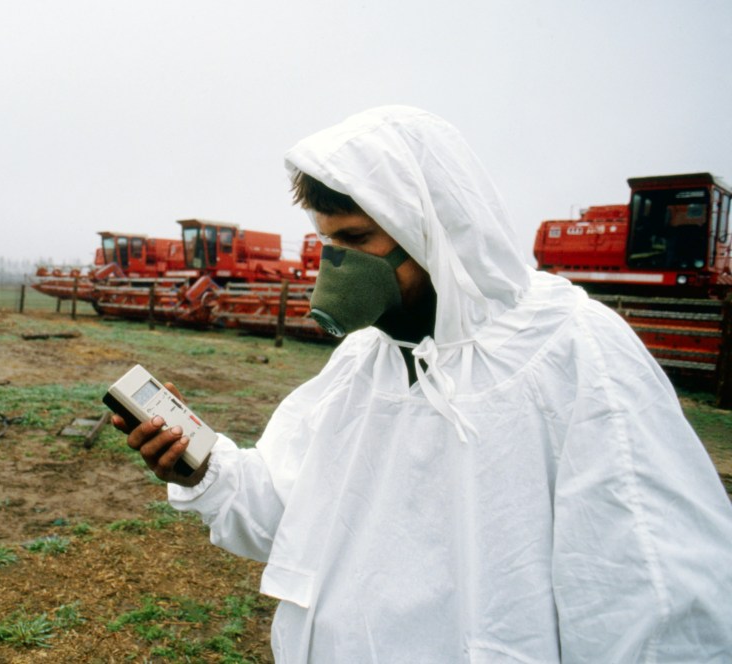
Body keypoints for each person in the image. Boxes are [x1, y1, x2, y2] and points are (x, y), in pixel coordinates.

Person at [115, 106, 732, 662]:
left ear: (431, 228)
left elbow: (653, 599)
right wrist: (201, 469)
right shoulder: (366, 360)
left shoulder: (571, 352)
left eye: (356, 240)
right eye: (329, 241)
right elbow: (285, 506)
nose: (337, 265)